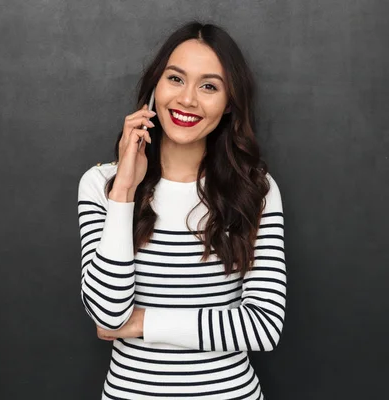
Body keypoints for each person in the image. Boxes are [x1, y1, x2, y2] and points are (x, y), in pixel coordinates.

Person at [77, 21, 286, 399]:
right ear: (156, 86)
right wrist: (124, 190)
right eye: (176, 79)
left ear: (228, 105)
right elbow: (107, 316)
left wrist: (144, 323)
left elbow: (263, 327)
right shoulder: (101, 184)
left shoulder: (256, 190)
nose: (188, 99)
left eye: (209, 86)